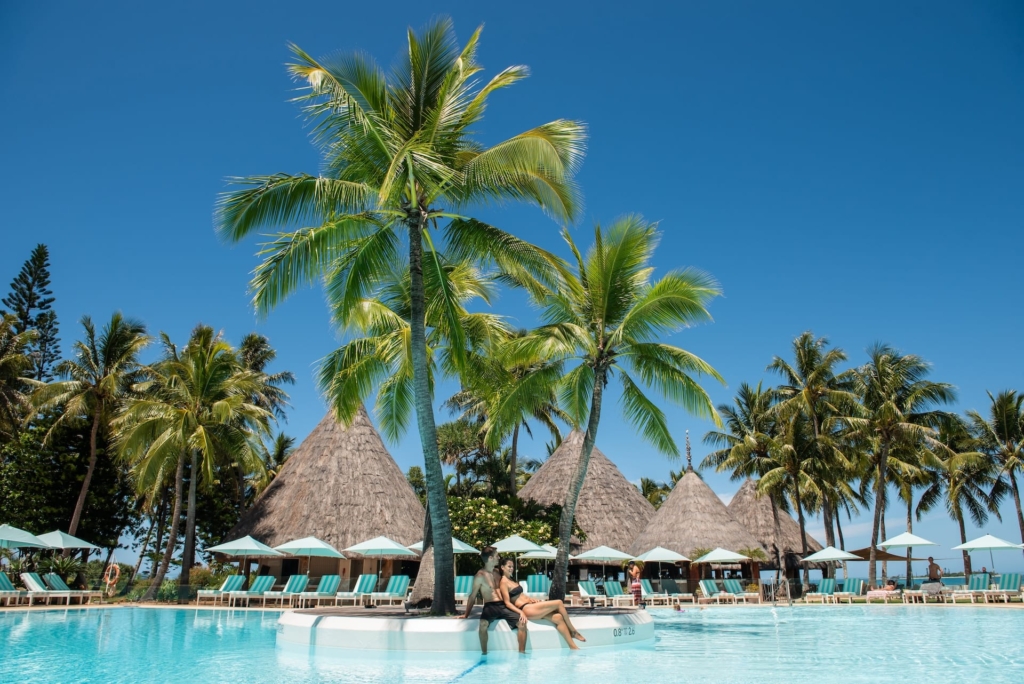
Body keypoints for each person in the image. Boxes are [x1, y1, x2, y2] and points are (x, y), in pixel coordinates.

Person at [496, 557, 585, 650]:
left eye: (512, 567)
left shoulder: (512, 579)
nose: (511, 568)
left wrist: (532, 599)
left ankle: (573, 647)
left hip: (530, 605)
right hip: (525, 609)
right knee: (558, 603)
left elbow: (521, 596)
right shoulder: (503, 582)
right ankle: (573, 631)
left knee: (558, 617)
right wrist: (520, 612)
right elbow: (507, 603)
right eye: (509, 566)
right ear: (502, 567)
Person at [460, 546, 527, 654]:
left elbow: (511, 586)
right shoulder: (480, 576)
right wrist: (466, 615)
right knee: (482, 625)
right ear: (491, 558)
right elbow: (472, 596)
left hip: (504, 605)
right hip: (490, 606)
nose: (499, 557)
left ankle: (522, 653)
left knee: (522, 623)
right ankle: (484, 654)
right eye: (497, 556)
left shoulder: (497, 572)